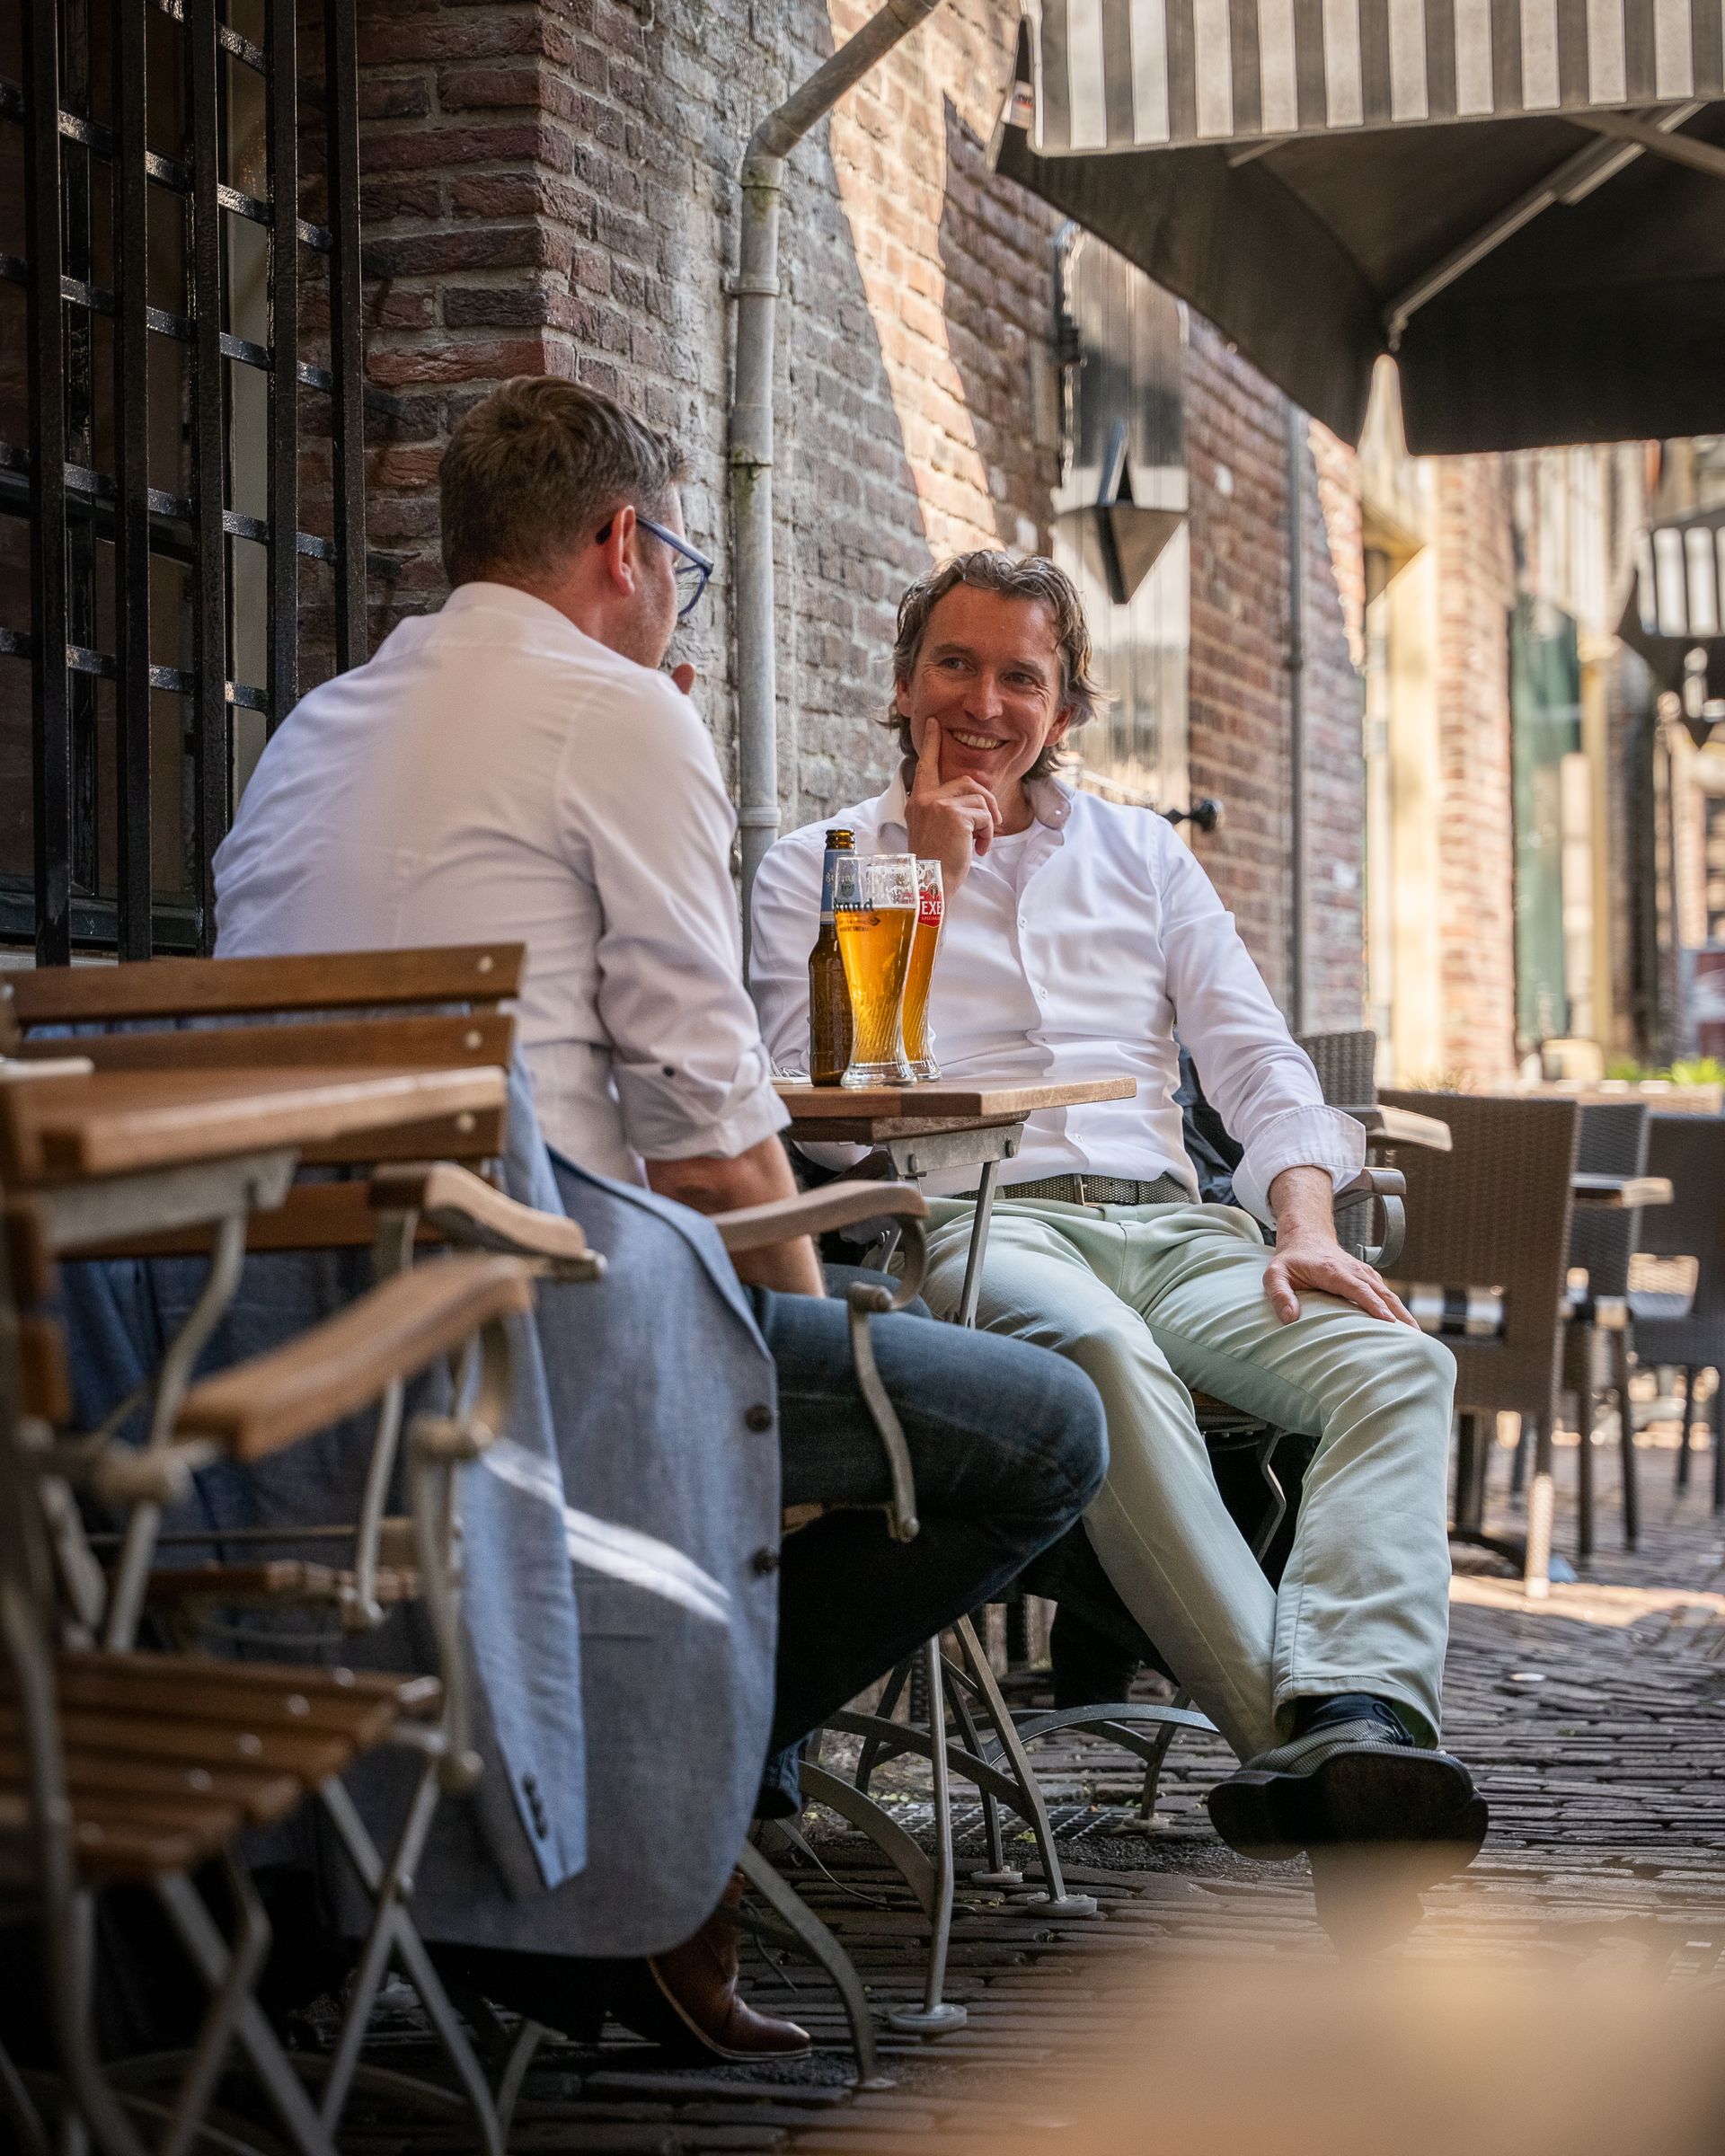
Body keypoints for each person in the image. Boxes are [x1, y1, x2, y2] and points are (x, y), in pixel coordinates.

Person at [211, 387, 1108, 2056]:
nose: (675, 602)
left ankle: (614, 1840)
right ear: (624, 545)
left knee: (840, 1362)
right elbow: (708, 1138)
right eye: (680, 566)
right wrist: (805, 1319)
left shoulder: (314, 727)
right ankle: (662, 1825)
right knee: (1043, 1430)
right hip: (546, 1328)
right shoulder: (615, 709)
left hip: (282, 1351)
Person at [749, 550, 1485, 1900]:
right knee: (1099, 1355)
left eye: (1020, 677)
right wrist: (927, 885)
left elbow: (1262, 1066)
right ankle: (1331, 1773)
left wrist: (1303, 1223)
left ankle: (1357, 1712)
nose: (983, 703)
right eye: (954, 664)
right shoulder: (819, 865)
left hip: (1176, 1230)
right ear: (904, 683)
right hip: (982, 1224)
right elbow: (830, 1122)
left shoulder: (1144, 855)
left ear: (1066, 707)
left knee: (1398, 1365)